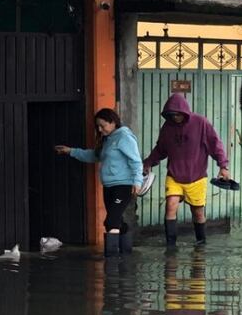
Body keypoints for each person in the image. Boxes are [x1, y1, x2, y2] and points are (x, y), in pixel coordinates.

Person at [143, 93, 230, 246]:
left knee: (197, 212)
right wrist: (148, 162)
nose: (175, 117)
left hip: (196, 176)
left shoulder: (201, 123)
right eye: (171, 115)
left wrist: (223, 166)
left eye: (177, 114)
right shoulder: (168, 127)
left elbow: (215, 145)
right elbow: (161, 149)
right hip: (174, 175)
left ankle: (201, 242)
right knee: (170, 206)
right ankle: (171, 244)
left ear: (184, 112)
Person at [55, 108, 143, 256]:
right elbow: (95, 156)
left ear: (113, 122)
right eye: (98, 127)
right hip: (109, 186)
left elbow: (136, 161)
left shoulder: (124, 137)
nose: (100, 130)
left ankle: (112, 260)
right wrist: (70, 151)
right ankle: (126, 254)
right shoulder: (108, 140)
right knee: (117, 220)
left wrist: (137, 181)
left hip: (124, 185)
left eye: (103, 126)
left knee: (111, 221)